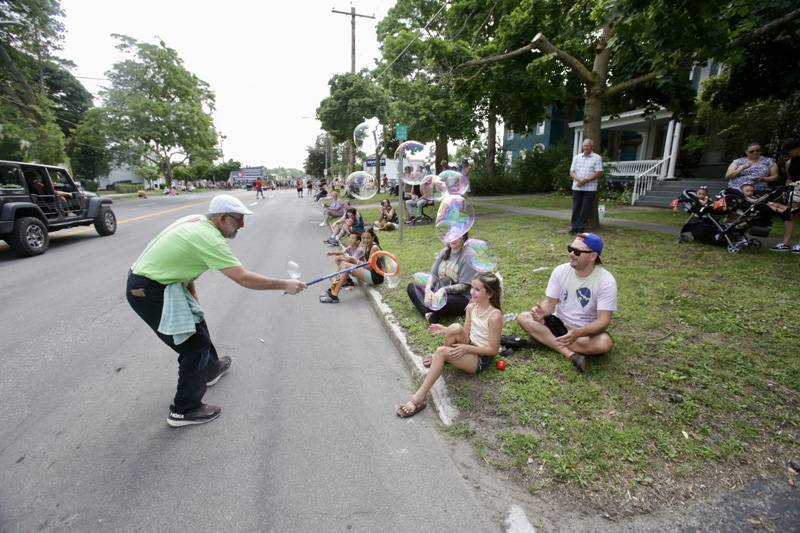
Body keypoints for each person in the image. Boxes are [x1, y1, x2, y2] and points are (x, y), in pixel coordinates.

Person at [126, 194, 306, 427]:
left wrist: (194, 304)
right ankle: (184, 409)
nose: (243, 225)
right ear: (222, 217)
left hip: (164, 283)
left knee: (197, 324)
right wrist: (285, 284)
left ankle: (209, 370)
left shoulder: (197, 220)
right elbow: (244, 278)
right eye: (239, 219)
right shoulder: (209, 238)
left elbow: (185, 265)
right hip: (148, 291)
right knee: (192, 346)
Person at [396, 272, 503, 417]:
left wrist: (466, 348)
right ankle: (442, 358)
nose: (472, 291)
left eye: (477, 289)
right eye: (472, 287)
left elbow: (493, 350)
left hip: (481, 357)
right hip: (470, 344)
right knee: (454, 327)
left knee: (441, 352)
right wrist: (445, 329)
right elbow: (465, 331)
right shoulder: (472, 307)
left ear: (489, 294)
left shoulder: (495, 316)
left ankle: (418, 399)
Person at [516, 233, 616, 373]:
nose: (571, 254)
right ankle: (571, 354)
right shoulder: (560, 271)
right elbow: (550, 302)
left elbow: (603, 322)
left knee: (605, 343)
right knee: (523, 317)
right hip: (558, 325)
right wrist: (543, 311)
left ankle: (546, 340)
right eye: (570, 248)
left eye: (577, 251)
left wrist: (577, 333)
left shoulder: (606, 280)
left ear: (592, 256)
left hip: (584, 333)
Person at [406, 233, 479, 323]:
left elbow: (464, 286)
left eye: (456, 236)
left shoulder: (468, 255)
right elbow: (433, 275)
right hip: (439, 291)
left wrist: (443, 290)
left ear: (463, 237)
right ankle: (429, 314)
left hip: (461, 297)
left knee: (443, 301)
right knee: (412, 287)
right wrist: (428, 289)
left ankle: (432, 309)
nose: (452, 239)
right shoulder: (445, 252)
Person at [320, 227, 384, 303]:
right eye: (363, 238)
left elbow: (369, 267)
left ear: (373, 237)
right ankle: (332, 289)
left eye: (368, 238)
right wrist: (355, 262)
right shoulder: (368, 246)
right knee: (344, 264)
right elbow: (367, 263)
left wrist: (355, 261)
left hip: (375, 277)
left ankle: (334, 295)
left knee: (346, 266)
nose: (365, 240)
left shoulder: (374, 247)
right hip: (370, 272)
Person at [770, 138, 800, 253]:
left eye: (789, 151)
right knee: (790, 215)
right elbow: (789, 178)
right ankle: (785, 243)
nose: (788, 154)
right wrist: (786, 190)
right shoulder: (789, 162)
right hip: (794, 190)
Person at [569, 139, 603, 234]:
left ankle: (580, 227)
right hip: (577, 186)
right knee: (576, 207)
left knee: (585, 208)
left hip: (590, 188)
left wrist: (585, 180)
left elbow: (599, 173)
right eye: (585, 146)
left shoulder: (597, 158)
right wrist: (579, 180)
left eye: (588, 146)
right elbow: (572, 171)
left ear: (592, 147)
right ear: (582, 146)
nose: (586, 147)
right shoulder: (577, 157)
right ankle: (574, 227)